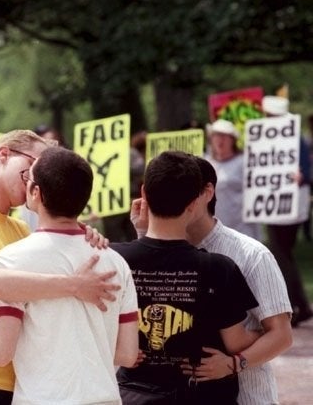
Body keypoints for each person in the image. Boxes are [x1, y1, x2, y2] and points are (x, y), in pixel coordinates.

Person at [0, 129, 120, 404]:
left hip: (31, 382)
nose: (32, 183)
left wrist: (84, 237)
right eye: (29, 169)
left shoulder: (21, 227)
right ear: (3, 154)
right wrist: (74, 285)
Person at [130, 156, 293, 404]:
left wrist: (233, 363)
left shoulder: (251, 255)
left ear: (206, 193)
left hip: (247, 396)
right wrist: (143, 233)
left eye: (183, 192)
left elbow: (281, 335)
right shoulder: (167, 250)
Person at [111, 151, 259, 404]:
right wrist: (264, 331)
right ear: (194, 203)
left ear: (144, 193)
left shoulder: (113, 259)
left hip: (132, 394)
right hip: (201, 396)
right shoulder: (218, 268)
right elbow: (236, 343)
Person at [262, 95, 313, 327]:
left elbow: (308, 171)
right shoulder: (266, 137)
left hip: (290, 204)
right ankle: (300, 304)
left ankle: (295, 305)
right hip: (274, 203)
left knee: (282, 253)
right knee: (285, 253)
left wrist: (303, 176)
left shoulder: (297, 139)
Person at [206, 119, 263, 241]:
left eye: (224, 136)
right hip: (215, 228)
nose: (220, 140)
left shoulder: (245, 161)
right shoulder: (206, 163)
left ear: (233, 140)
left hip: (242, 227)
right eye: (216, 136)